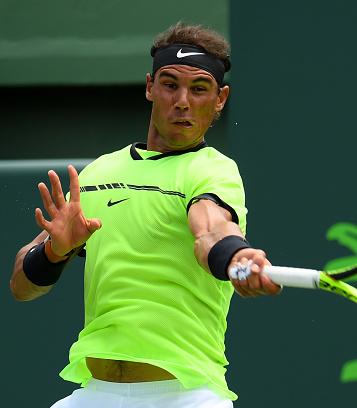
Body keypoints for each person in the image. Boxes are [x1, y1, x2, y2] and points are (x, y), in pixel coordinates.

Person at [10, 21, 281, 408]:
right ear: (150, 86)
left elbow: (211, 231)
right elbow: (21, 286)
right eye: (170, 85)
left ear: (220, 98)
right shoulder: (98, 173)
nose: (183, 101)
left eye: (199, 88)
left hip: (186, 397)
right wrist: (54, 252)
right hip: (95, 394)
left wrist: (236, 257)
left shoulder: (212, 171)